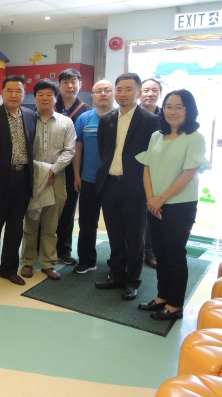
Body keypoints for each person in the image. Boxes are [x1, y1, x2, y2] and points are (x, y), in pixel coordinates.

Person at [136, 90, 209, 320]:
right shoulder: (157, 135)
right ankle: (162, 297)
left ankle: (175, 305)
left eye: (178, 106)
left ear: (189, 109)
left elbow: (189, 174)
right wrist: (151, 198)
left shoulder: (195, 138)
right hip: (154, 203)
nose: (172, 111)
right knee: (160, 253)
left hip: (179, 205)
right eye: (168, 106)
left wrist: (161, 198)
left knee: (175, 254)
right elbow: (146, 167)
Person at [95, 72, 159, 301]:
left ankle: (132, 281)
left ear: (138, 92)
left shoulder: (151, 121)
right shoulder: (107, 119)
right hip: (110, 183)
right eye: (119, 89)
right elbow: (105, 150)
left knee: (135, 235)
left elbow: (154, 157)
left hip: (136, 186)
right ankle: (117, 274)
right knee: (114, 232)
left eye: (128, 89)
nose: (123, 94)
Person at [0, 76, 36, 288]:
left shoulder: (31, 116)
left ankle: (9, 269)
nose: (14, 95)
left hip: (23, 178)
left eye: (18, 91)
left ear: (24, 93)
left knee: (15, 227)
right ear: (2, 93)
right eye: (9, 90)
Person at [21, 79, 76, 281]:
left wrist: (52, 170)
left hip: (57, 179)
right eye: (40, 95)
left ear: (55, 98)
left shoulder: (66, 122)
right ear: (34, 98)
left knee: (51, 225)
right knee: (31, 223)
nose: (45, 98)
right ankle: (27, 261)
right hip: (31, 179)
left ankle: (48, 262)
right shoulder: (27, 120)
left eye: (49, 95)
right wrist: (41, 172)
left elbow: (70, 150)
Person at [72, 80, 115, 274]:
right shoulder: (85, 119)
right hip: (88, 179)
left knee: (116, 224)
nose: (103, 94)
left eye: (107, 90)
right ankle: (87, 260)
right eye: (98, 91)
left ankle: (118, 263)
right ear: (93, 95)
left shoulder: (121, 118)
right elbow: (78, 149)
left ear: (113, 93)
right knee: (87, 223)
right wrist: (76, 175)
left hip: (114, 180)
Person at [54, 68, 91, 265]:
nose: (70, 85)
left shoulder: (87, 112)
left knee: (68, 210)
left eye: (74, 81)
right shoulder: (50, 105)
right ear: (59, 85)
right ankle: (39, 248)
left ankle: (63, 250)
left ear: (80, 84)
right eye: (66, 81)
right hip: (48, 167)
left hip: (73, 169)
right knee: (44, 208)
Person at [139, 77, 163, 268]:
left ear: (159, 94)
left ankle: (152, 251)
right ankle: (134, 250)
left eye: (154, 90)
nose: (150, 94)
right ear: (140, 93)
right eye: (146, 90)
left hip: (157, 173)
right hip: (133, 172)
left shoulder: (165, 117)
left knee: (153, 212)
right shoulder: (130, 115)